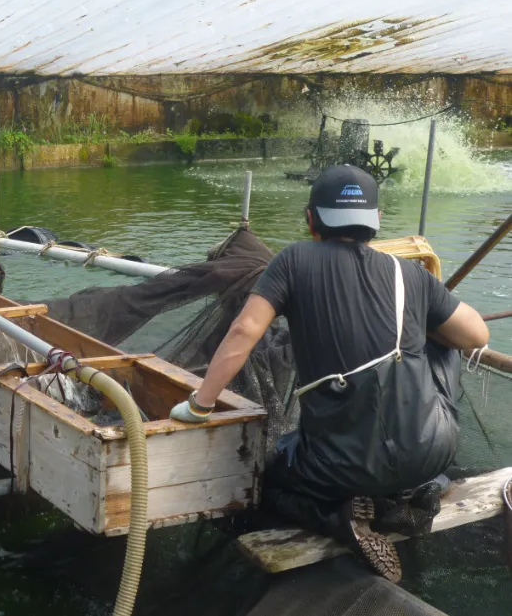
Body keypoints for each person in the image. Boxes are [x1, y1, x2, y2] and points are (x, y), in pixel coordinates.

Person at [170, 165, 489, 582]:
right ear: (375, 221)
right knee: (445, 340)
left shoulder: (293, 261)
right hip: (432, 452)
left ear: (310, 219)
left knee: (270, 478)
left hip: (342, 466)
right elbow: (476, 333)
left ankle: (343, 519)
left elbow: (244, 330)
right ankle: (404, 496)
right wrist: (417, 318)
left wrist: (201, 404)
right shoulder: (408, 273)